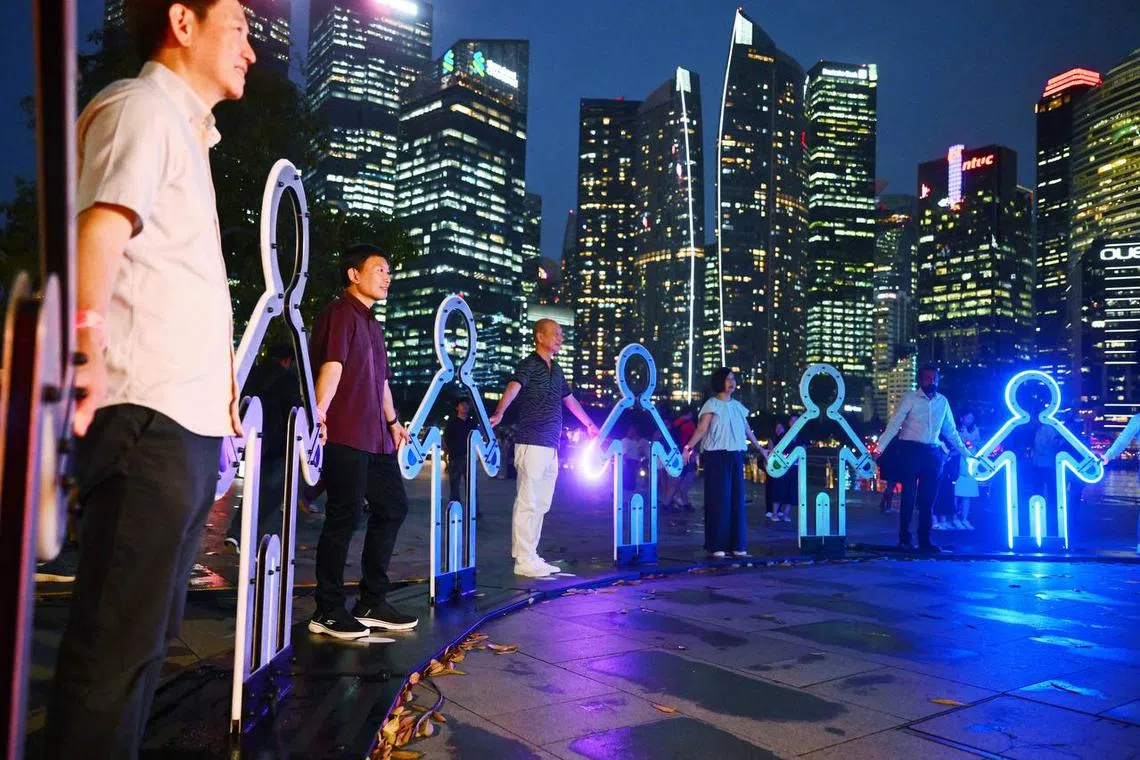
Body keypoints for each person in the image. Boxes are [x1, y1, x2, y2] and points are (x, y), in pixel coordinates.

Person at [46, 2, 255, 756]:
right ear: (183, 22)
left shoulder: (187, 135)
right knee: (113, 649)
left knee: (142, 644)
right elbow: (99, 227)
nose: (251, 52)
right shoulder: (141, 108)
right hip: (147, 422)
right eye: (238, 27)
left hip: (184, 429)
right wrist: (86, 344)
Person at [308, 244, 418, 639]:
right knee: (344, 517)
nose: (387, 277)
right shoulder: (340, 313)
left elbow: (381, 381)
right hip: (346, 431)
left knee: (393, 507)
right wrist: (318, 411)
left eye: (389, 271)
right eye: (379, 270)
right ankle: (328, 609)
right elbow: (332, 366)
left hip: (376, 436)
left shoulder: (372, 323)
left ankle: (371, 601)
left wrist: (393, 421)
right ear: (354, 275)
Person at [490, 319, 599, 578]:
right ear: (540, 336)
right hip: (531, 442)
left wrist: (589, 424)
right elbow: (514, 387)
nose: (561, 338)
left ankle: (531, 555)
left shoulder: (557, 369)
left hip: (551, 446)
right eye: (556, 334)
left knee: (541, 503)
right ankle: (522, 559)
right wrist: (499, 413)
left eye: (562, 334)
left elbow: (569, 400)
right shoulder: (528, 364)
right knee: (527, 501)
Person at [875, 366, 973, 552]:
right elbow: (895, 424)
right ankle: (905, 539)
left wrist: (967, 454)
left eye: (934, 378)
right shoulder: (910, 399)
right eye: (928, 378)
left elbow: (950, 431)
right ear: (920, 380)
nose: (932, 382)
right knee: (908, 497)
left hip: (932, 453)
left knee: (928, 500)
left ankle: (925, 540)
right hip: (910, 451)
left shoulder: (942, 402)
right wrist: (879, 448)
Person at [681, 368, 767, 558]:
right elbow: (702, 429)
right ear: (720, 382)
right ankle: (716, 545)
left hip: (735, 455)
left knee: (737, 500)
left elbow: (747, 430)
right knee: (718, 500)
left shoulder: (737, 406)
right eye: (727, 379)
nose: (731, 382)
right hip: (716, 456)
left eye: (733, 379)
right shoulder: (711, 404)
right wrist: (689, 447)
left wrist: (761, 449)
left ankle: (738, 545)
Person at [225, 343, 301, 550]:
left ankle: (239, 534)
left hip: (250, 440)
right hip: (276, 445)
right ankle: (255, 543)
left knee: (254, 488)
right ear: (287, 360)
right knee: (271, 493)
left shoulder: (253, 373)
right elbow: (296, 413)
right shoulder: (288, 380)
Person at [443, 397, 478, 504]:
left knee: (471, 485)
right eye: (462, 404)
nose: (464, 406)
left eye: (466, 404)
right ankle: (454, 508)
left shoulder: (472, 423)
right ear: (457, 407)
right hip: (456, 457)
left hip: (469, 457)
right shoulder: (452, 423)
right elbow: (446, 439)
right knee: (454, 485)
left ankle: (473, 509)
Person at [766, 417, 797, 523]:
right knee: (779, 489)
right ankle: (774, 513)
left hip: (794, 467)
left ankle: (785, 515)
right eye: (792, 420)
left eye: (796, 420)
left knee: (791, 492)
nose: (794, 423)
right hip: (782, 466)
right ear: (788, 423)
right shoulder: (784, 436)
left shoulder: (800, 436)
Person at [953, 411, 980, 529]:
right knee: (955, 493)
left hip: (971, 463)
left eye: (972, 418)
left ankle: (964, 518)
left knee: (967, 494)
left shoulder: (975, 429)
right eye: (968, 417)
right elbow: (958, 443)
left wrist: (972, 443)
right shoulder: (956, 429)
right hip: (958, 463)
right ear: (962, 418)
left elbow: (977, 442)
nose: (970, 420)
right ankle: (954, 518)